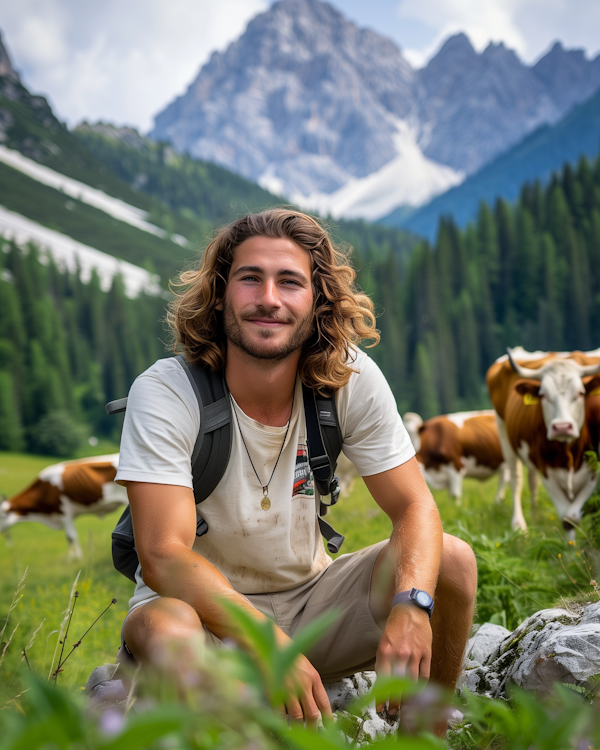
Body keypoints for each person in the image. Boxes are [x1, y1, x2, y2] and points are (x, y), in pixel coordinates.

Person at [115, 208, 477, 727]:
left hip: (311, 604)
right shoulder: (168, 390)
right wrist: (266, 643)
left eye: (290, 282)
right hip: (197, 616)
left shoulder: (346, 378)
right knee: (171, 631)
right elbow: (162, 555)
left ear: (316, 300)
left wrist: (413, 603)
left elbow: (415, 504)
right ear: (220, 296)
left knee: (454, 563)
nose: (269, 298)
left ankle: (425, 738)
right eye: (249, 279)